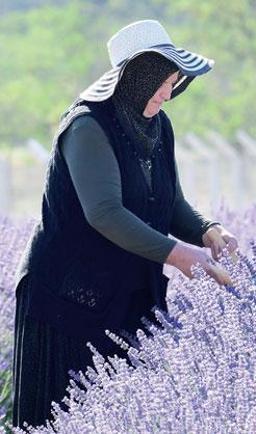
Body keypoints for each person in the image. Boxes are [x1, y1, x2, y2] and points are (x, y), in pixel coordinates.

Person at [12, 20, 239, 428]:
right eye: (162, 82)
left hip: (126, 295)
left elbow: (168, 202)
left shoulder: (157, 125)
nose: (168, 93)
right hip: (67, 300)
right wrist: (178, 254)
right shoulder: (87, 126)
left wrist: (207, 229)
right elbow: (104, 213)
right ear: (137, 77)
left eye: (174, 82)